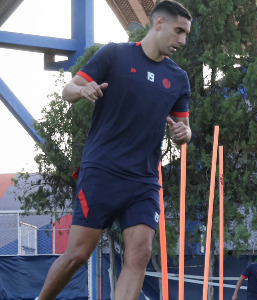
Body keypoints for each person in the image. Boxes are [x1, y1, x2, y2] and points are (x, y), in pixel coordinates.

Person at [36, 2, 192, 300]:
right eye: (178, 31)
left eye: (186, 34)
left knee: (140, 254)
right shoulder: (115, 54)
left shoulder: (178, 78)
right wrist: (82, 90)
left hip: (145, 180)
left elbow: (184, 132)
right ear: (158, 23)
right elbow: (68, 90)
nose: (182, 41)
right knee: (79, 253)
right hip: (103, 170)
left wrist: (183, 134)